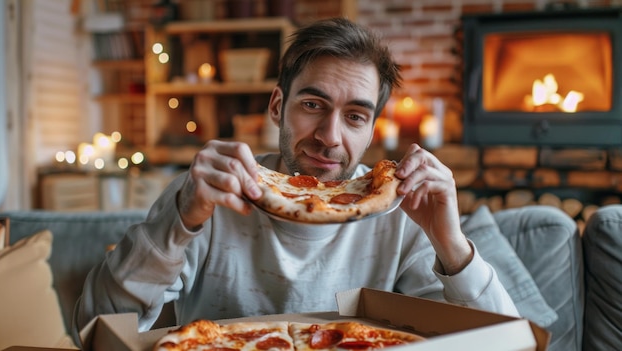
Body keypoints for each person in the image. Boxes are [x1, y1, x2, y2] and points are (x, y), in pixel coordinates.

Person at [73, 17, 518, 341]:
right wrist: (179, 223)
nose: (330, 136)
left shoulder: (398, 212)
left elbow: (504, 343)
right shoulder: (208, 194)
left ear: (371, 131)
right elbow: (93, 330)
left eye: (355, 116)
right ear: (276, 106)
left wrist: (453, 245)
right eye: (312, 105)